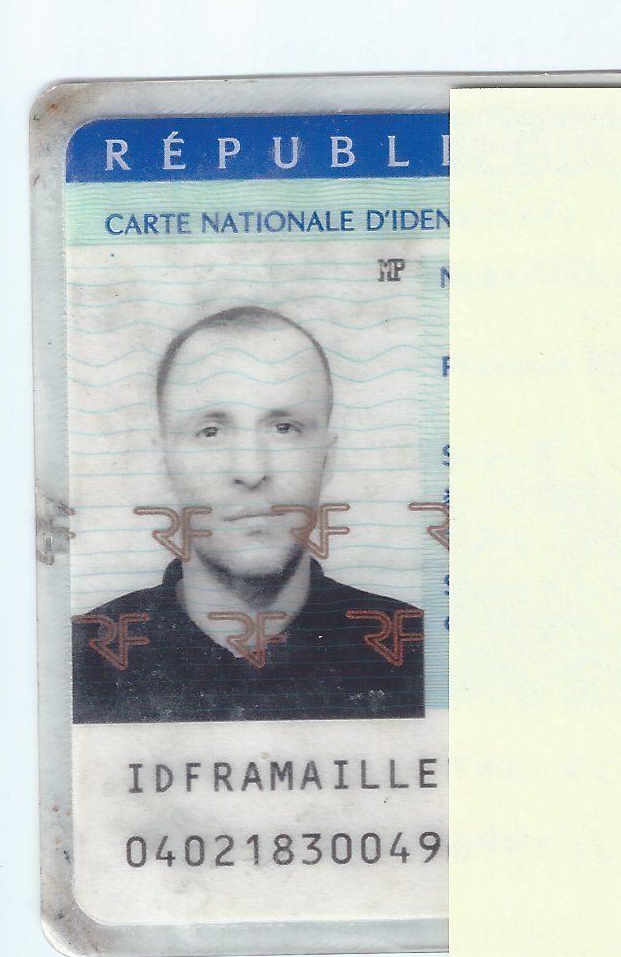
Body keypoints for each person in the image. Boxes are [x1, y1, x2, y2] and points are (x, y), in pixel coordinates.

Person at [72, 306, 424, 723]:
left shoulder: (417, 650)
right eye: (211, 432)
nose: (251, 470)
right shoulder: (82, 658)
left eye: (284, 428)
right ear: (164, 462)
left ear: (327, 459)